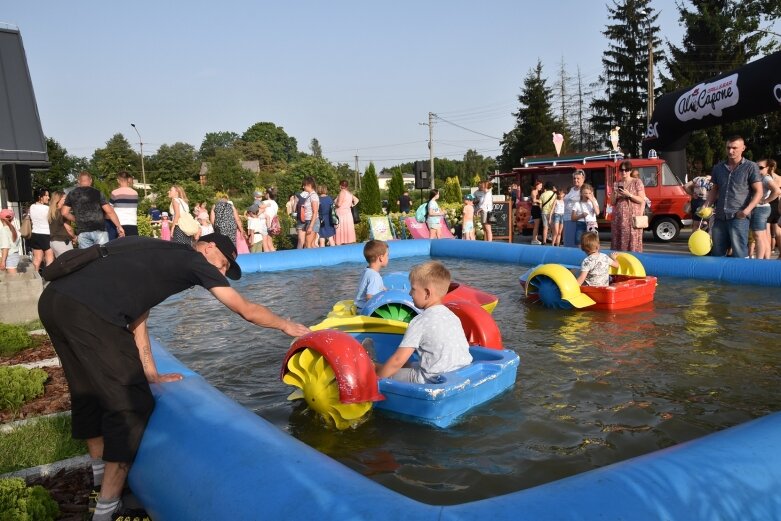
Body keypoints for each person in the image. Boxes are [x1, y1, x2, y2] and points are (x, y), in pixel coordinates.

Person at [37, 233, 310, 521]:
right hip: (88, 312)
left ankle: (97, 480)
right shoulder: (194, 260)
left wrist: (150, 371)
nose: (220, 272)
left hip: (55, 301)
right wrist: (286, 325)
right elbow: (245, 310)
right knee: (131, 404)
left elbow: (137, 312)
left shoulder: (159, 250)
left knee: (87, 391)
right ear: (209, 247)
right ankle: (107, 509)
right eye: (222, 264)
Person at [375, 261, 472, 384]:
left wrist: (376, 380)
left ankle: (372, 367)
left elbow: (397, 360)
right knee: (409, 364)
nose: (410, 293)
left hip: (431, 380)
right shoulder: (453, 316)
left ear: (427, 293)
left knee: (383, 370)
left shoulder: (420, 321)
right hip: (459, 374)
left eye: (413, 289)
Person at [706, 136, 762, 258]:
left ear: (743, 148)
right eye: (728, 148)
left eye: (734, 148)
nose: (731, 151)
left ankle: (742, 276)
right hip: (720, 217)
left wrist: (746, 211)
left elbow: (759, 192)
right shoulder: (718, 168)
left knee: (739, 253)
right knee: (717, 253)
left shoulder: (751, 167)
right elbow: (714, 189)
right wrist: (706, 206)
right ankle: (716, 277)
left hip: (739, 217)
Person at [62, 171, 124, 248]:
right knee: (103, 257)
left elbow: (64, 213)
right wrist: (119, 226)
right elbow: (110, 212)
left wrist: (77, 219)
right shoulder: (97, 193)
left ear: (78, 181)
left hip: (82, 231)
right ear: (90, 180)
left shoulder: (71, 194)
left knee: (87, 258)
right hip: (99, 230)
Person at [610, 161, 646, 253]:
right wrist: (614, 193)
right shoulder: (616, 184)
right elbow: (613, 202)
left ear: (630, 171)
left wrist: (629, 194)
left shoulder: (637, 182)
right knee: (618, 240)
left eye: (626, 170)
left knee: (632, 239)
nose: (624, 172)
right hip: (619, 218)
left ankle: (633, 260)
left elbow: (641, 199)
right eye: (621, 170)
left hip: (632, 217)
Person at [751, 159, 781, 259]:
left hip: (761, 208)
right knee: (763, 236)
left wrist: (765, 200)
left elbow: (777, 191)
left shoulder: (766, 178)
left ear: (767, 168)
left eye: (760, 167)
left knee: (758, 235)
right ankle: (765, 260)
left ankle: (759, 262)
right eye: (756, 167)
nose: (757, 169)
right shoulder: (761, 177)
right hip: (762, 208)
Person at [355, 240, 388, 313]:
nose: (388, 258)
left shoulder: (367, 271)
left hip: (359, 307)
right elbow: (370, 297)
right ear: (381, 258)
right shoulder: (374, 276)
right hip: (365, 311)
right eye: (387, 255)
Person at [28, 188, 54, 272]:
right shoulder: (46, 208)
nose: (48, 197)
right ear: (40, 197)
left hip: (34, 234)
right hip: (44, 234)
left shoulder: (32, 207)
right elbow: (51, 220)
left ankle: (35, 278)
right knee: (50, 256)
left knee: (37, 258)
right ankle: (48, 276)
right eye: (46, 195)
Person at [48, 190, 77, 257]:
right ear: (58, 200)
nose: (67, 200)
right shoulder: (63, 213)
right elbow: (68, 228)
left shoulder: (51, 213)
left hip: (53, 242)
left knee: (61, 264)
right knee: (70, 263)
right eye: (65, 199)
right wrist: (74, 237)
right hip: (63, 242)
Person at [110, 171, 139, 237]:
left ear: (118, 180)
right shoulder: (135, 193)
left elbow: (110, 210)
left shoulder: (114, 193)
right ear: (128, 179)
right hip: (133, 224)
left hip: (118, 225)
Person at [763, 160, 781, 258]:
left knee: (767, 231)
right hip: (777, 204)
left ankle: (768, 253)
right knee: (778, 231)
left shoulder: (766, 177)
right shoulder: (779, 178)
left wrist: (765, 200)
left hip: (768, 202)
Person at [563, 170, 585, 247]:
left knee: (576, 244)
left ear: (583, 178)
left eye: (578, 178)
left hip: (577, 220)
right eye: (574, 178)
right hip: (567, 218)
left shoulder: (584, 190)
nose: (576, 180)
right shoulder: (571, 189)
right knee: (568, 243)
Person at [296, 177, 320, 249]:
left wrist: (311, 226)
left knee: (308, 244)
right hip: (309, 221)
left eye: (304, 185)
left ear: (309, 185)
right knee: (312, 244)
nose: (303, 187)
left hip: (312, 221)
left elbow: (315, 211)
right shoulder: (309, 195)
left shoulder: (313, 196)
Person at [335, 180, 359, 245]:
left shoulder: (342, 192)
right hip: (348, 213)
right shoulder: (349, 193)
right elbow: (357, 200)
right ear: (347, 186)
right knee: (347, 228)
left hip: (341, 213)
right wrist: (351, 205)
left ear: (340, 186)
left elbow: (339, 204)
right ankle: (348, 241)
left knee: (340, 228)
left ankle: (340, 242)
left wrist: (335, 204)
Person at [0, 209, 22, 275]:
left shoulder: (3, 230)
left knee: (14, 281)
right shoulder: (13, 229)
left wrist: (3, 262)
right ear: (12, 219)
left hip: (9, 257)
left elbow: (5, 248)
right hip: (15, 255)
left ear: (1, 219)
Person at [529, 180, 544, 244]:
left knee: (537, 225)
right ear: (536, 185)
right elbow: (534, 200)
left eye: (541, 185)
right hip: (535, 208)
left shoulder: (540, 192)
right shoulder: (534, 191)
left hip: (538, 208)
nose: (541, 186)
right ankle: (533, 239)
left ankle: (536, 239)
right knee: (536, 225)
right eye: (540, 185)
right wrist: (540, 201)